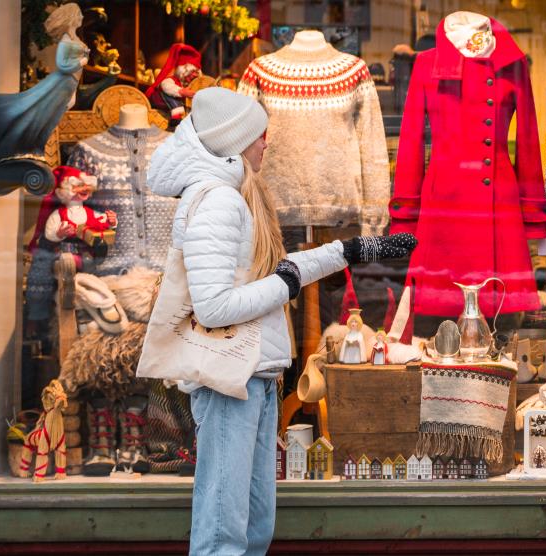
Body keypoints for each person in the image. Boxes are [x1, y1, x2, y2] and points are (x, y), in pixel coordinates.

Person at [144, 88, 415, 556]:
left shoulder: (237, 196)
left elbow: (271, 273)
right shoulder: (219, 203)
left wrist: (347, 252)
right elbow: (215, 307)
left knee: (251, 530)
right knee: (223, 533)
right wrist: (288, 281)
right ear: (236, 141)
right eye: (259, 135)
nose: (267, 142)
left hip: (254, 378)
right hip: (232, 382)